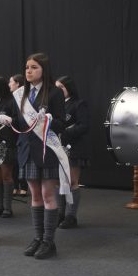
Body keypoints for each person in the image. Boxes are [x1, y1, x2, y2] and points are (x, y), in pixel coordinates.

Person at [0, 52, 67, 259]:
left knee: (47, 195)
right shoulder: (21, 94)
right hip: (26, 150)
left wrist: (49, 120)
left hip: (47, 149)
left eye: (34, 67)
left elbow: (61, 124)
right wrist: (8, 120)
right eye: (27, 67)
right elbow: (20, 123)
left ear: (44, 70)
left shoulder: (54, 93)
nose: (29, 71)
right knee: (35, 196)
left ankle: (48, 241)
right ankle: (37, 238)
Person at [54, 76, 90, 228]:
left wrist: (65, 132)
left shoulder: (79, 104)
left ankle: (71, 216)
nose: (58, 91)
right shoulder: (54, 105)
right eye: (56, 88)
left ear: (69, 88)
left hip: (73, 148)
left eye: (61, 87)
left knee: (72, 182)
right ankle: (60, 213)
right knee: (57, 181)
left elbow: (84, 126)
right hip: (56, 147)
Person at [0, 76, 18, 218]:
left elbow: (18, 121)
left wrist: (10, 120)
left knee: (6, 174)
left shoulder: (12, 102)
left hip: (7, 142)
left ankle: (7, 207)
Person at [9, 74, 27, 196]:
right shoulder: (12, 98)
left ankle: (24, 186)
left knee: (22, 161)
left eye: (11, 82)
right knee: (15, 162)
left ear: (18, 84)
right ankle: (15, 185)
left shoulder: (24, 97)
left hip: (23, 133)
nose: (9, 84)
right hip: (13, 133)